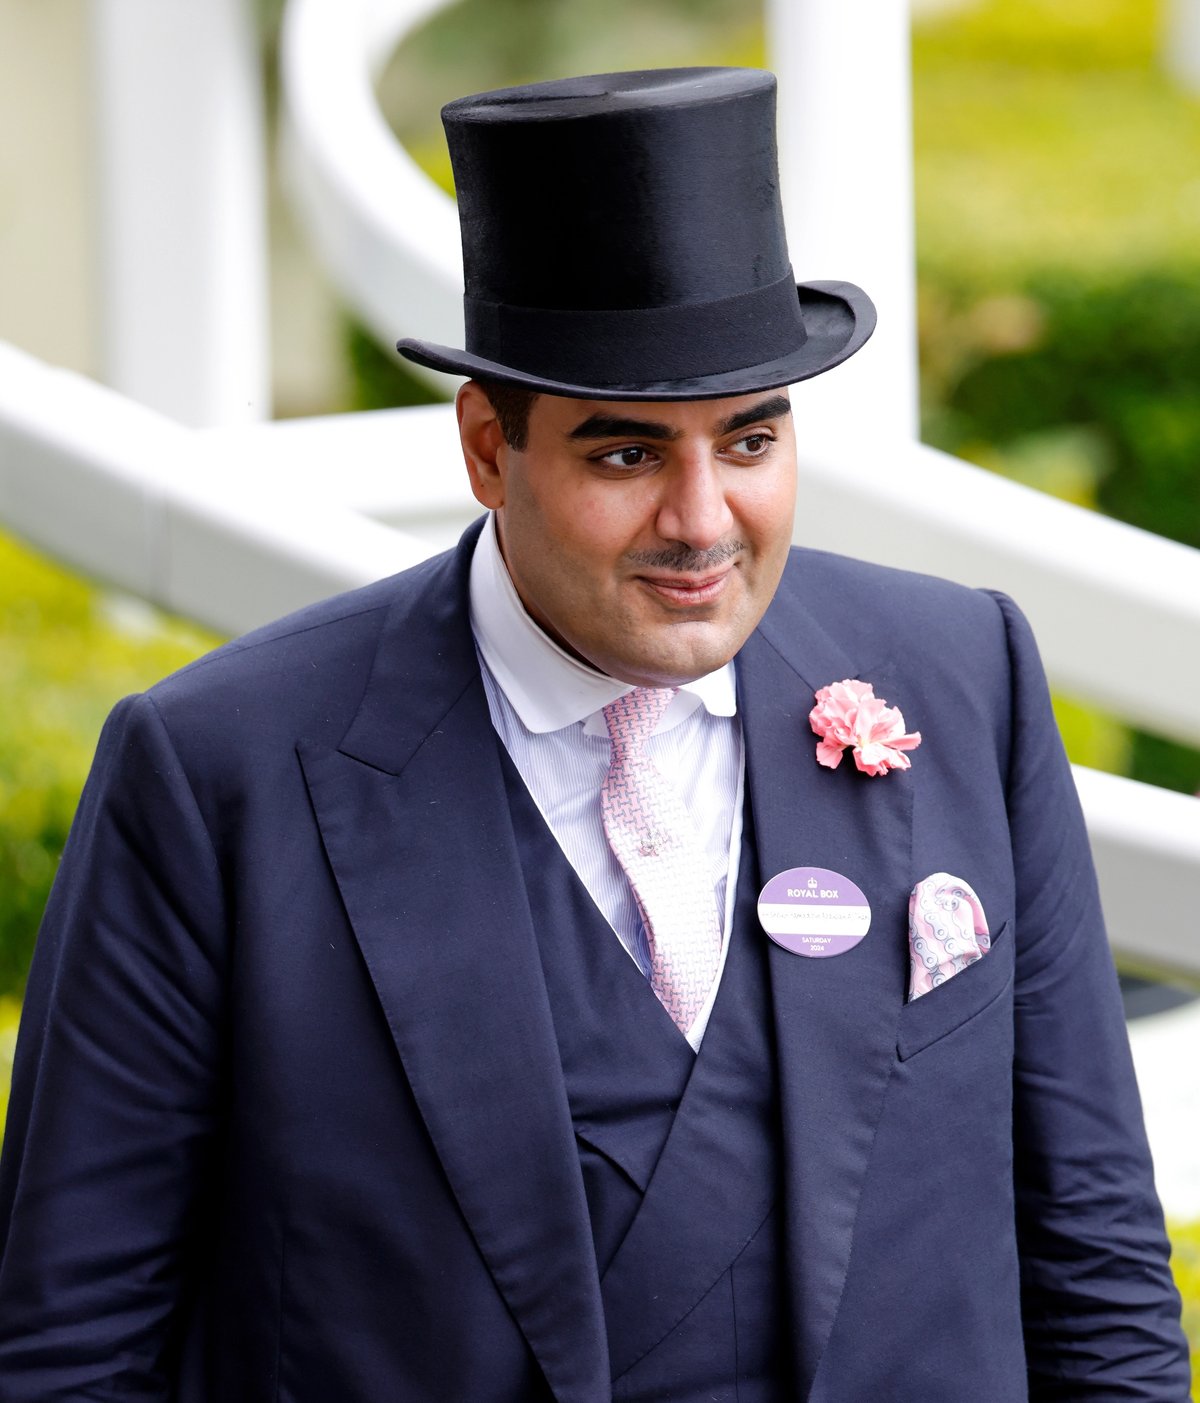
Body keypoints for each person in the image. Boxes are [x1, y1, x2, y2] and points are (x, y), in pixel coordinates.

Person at [0, 67, 1189, 1403]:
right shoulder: (216, 771)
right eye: (625, 455)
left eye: (749, 442)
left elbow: (1096, 1266)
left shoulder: (965, 675)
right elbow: (70, 1348)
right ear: (488, 451)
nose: (702, 520)